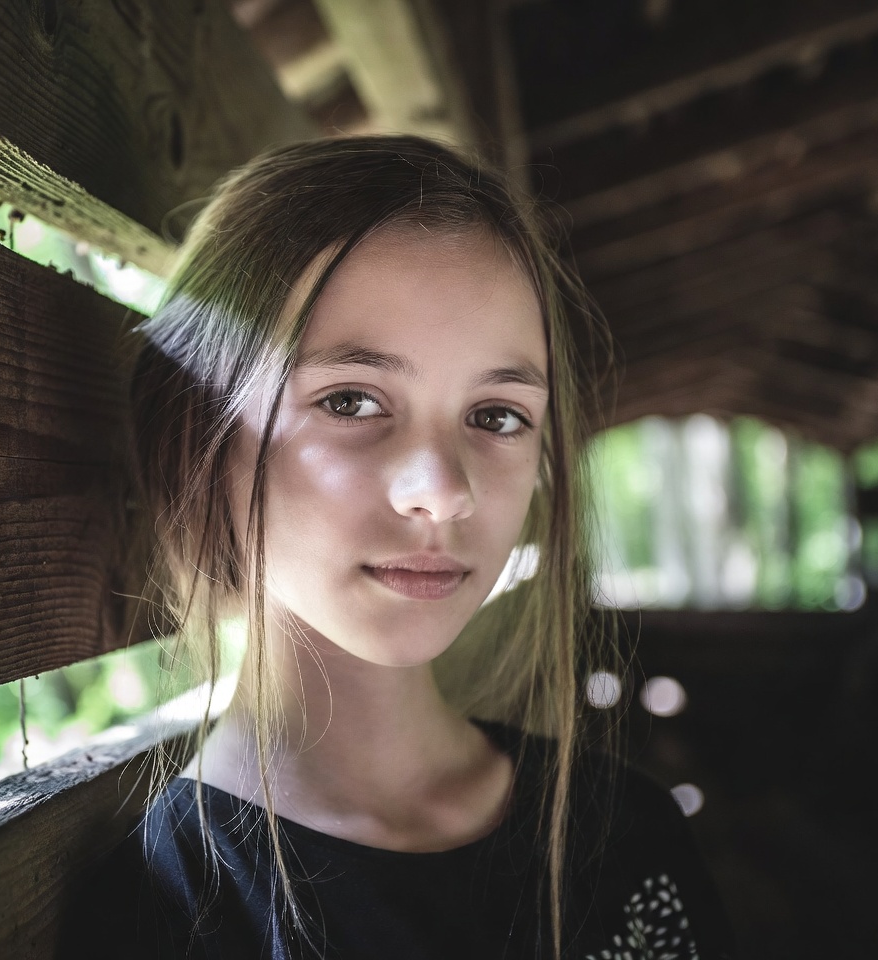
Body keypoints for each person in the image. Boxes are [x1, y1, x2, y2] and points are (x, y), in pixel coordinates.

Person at [68, 135, 733, 959]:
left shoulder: (629, 833)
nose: (444, 490)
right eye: (351, 400)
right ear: (200, 429)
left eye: (496, 415)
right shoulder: (160, 918)